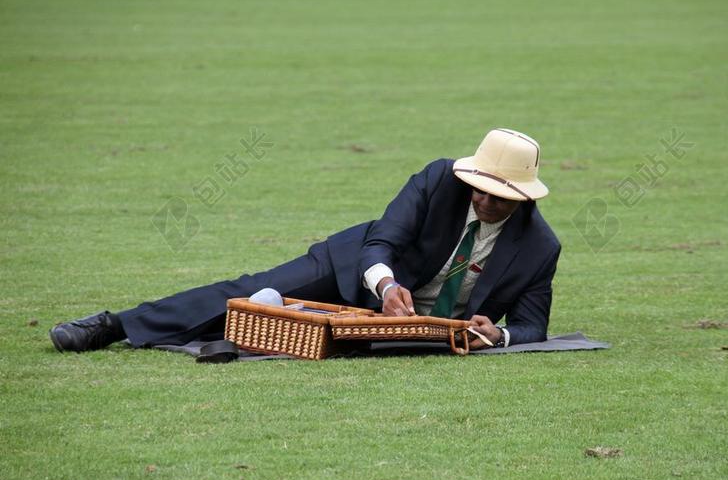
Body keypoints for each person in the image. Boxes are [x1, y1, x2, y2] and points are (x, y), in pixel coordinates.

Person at [50, 128, 561, 353]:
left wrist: (500, 336)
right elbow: (382, 241)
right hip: (353, 272)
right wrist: (386, 289)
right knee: (250, 297)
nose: (486, 201)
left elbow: (533, 324)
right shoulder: (437, 180)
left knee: (272, 335)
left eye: (501, 196)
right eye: (481, 189)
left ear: (525, 197)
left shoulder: (541, 248)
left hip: (414, 331)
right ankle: (114, 326)